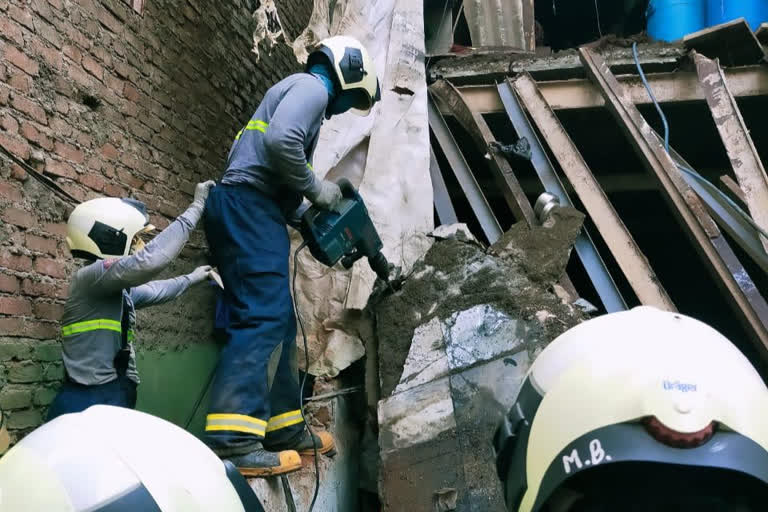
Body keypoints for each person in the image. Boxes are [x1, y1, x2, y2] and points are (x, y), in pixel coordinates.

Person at [203, 35, 381, 477]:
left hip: (255, 205)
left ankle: (283, 429)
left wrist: (308, 216)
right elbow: (280, 144)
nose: (345, 107)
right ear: (346, 72)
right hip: (248, 206)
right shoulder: (312, 88)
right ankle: (232, 443)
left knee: (280, 321)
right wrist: (319, 190)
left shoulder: (300, 95)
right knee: (262, 316)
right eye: (353, 97)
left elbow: (277, 174)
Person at [47, 181, 217, 421]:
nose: (142, 246)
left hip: (114, 391)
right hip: (88, 399)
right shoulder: (91, 277)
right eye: (137, 239)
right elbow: (150, 261)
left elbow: (155, 291)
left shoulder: (114, 290)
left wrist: (192, 278)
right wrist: (196, 207)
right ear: (111, 236)